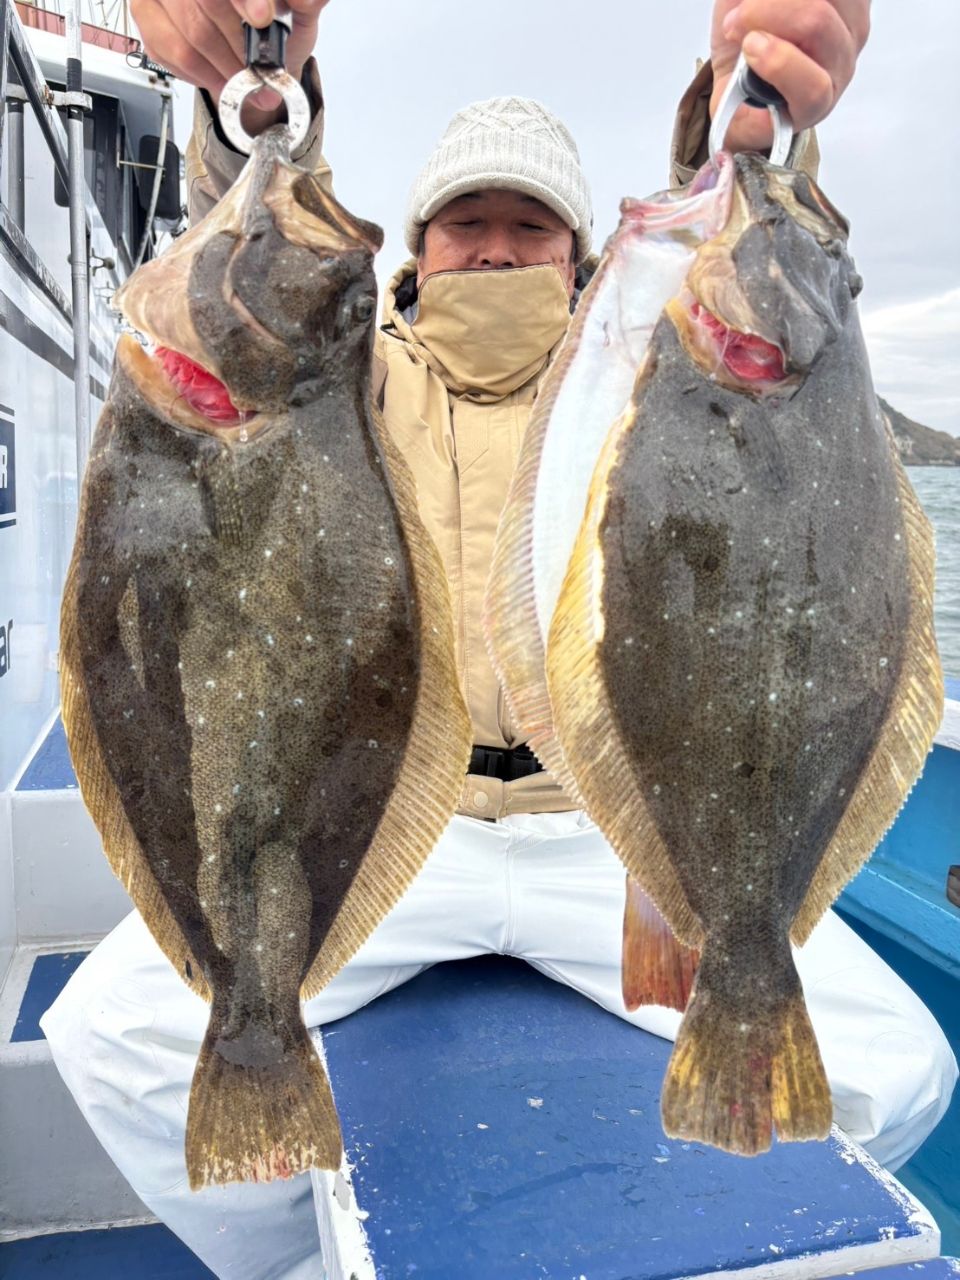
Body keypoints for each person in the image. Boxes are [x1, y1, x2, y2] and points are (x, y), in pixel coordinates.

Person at [42, 2, 957, 1277]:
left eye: (531, 227)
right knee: (110, 1033)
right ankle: (301, 1261)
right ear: (414, 247)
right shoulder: (348, 367)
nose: (495, 249)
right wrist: (253, 96)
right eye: (466, 223)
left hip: (607, 831)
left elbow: (740, 235)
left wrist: (743, 106)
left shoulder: (631, 368)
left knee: (903, 1060)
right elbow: (250, 230)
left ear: (583, 251)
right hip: (398, 845)